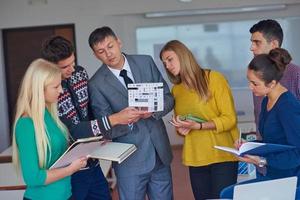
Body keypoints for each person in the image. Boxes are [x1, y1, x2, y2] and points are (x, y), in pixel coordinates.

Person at [41, 36, 136, 200]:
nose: (72, 69)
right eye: (64, 67)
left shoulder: (80, 73)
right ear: (49, 67)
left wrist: (102, 135)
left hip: (91, 159)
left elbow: (89, 109)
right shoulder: (49, 92)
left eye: (73, 62)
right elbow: (74, 130)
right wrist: (114, 119)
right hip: (70, 169)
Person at [88, 26, 174, 200]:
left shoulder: (146, 62)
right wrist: (125, 120)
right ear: (95, 55)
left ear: (119, 42)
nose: (108, 54)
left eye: (110, 46)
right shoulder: (96, 84)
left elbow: (169, 98)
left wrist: (153, 111)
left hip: (159, 153)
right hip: (129, 161)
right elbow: (105, 127)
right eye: (101, 51)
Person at [160, 40, 239, 200]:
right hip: (196, 158)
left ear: (183, 56)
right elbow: (183, 127)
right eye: (164, 63)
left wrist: (199, 126)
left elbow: (230, 119)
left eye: (170, 59)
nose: (167, 66)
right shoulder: (177, 90)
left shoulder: (214, 78)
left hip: (222, 155)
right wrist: (182, 129)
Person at [220, 48, 300, 199]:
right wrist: (247, 146)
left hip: (292, 180)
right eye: (249, 81)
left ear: (272, 83)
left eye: (254, 83)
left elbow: (298, 153)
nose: (250, 87)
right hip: (275, 174)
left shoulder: (288, 106)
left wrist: (262, 160)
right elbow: (274, 142)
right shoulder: (266, 101)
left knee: (229, 195)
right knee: (227, 194)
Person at [12, 58, 88, 200]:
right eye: (55, 86)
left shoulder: (50, 115)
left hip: (66, 195)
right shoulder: (25, 125)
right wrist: (71, 169)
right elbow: (33, 178)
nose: (61, 90)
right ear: (39, 89)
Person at [250, 19, 300, 137]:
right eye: (252, 42)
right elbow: (259, 115)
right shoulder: (257, 75)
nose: (251, 48)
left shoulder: (296, 74)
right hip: (265, 148)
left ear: (274, 44)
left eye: (257, 42)